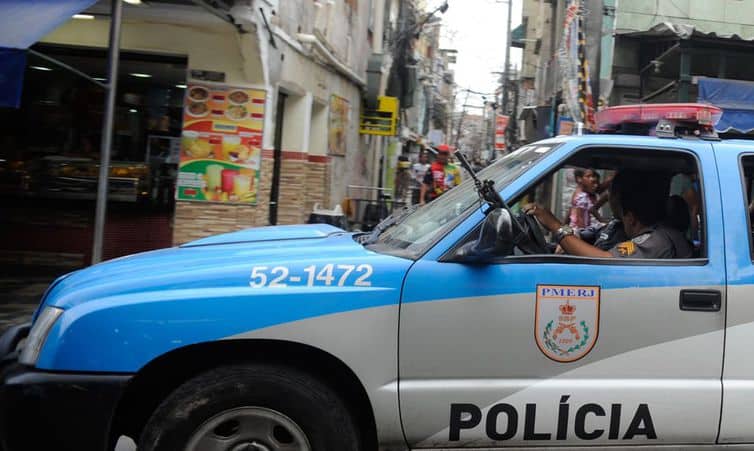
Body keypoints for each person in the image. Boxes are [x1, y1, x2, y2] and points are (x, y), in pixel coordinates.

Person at [525, 170, 693, 259]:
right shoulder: (618, 226)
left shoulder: (657, 240)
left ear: (631, 218)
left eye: (612, 192)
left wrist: (556, 226)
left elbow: (606, 258)